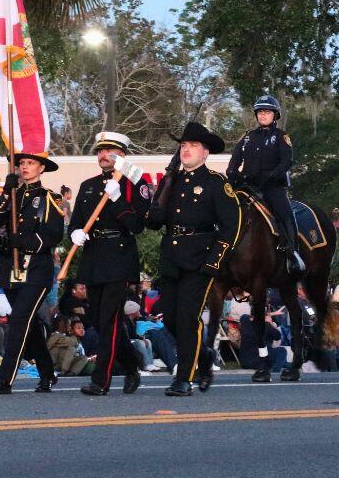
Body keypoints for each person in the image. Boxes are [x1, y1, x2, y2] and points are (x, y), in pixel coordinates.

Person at [146, 122, 240, 396]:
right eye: (183, 146)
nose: (187, 150)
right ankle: (204, 354)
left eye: (193, 146)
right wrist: (161, 193)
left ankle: (184, 379)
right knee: (171, 320)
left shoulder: (215, 183)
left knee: (188, 319)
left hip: (199, 259)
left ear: (205, 153)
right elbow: (155, 222)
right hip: (172, 258)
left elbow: (230, 226)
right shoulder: (170, 180)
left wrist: (215, 260)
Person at [68, 130, 151, 396]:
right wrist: (76, 232)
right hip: (94, 256)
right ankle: (131, 365)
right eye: (100, 151)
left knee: (110, 319)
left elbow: (137, 225)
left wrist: (117, 200)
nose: (103, 155)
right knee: (99, 320)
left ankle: (101, 380)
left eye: (110, 151)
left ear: (123, 155)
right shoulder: (88, 185)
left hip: (119, 254)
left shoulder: (134, 183)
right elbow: (77, 220)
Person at [0, 151, 65, 394]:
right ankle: (48, 373)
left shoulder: (51, 198)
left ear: (42, 168)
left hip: (37, 269)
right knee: (28, 322)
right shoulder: (13, 196)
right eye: (22, 163)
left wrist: (23, 241)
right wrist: (6, 193)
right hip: (11, 268)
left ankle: (4, 377)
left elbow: (53, 234)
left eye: (30, 163)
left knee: (19, 319)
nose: (25, 167)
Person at [227, 95, 304, 272]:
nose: (263, 115)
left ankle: (293, 253)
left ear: (275, 115)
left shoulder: (281, 136)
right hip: (247, 186)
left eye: (267, 112)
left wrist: (272, 175)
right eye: (260, 112)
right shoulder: (247, 137)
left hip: (272, 186)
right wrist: (232, 173)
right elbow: (235, 159)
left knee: (285, 213)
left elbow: (287, 161)